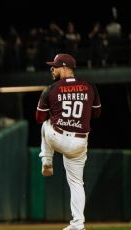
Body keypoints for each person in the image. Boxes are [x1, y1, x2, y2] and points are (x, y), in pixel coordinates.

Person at [35, 53, 101, 230]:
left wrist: (58, 113)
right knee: (77, 183)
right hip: (80, 142)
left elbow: (39, 117)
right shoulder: (90, 86)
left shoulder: (51, 89)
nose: (53, 69)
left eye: (55, 66)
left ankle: (47, 160)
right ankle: (78, 225)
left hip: (59, 137)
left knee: (45, 123)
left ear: (64, 67)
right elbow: (96, 113)